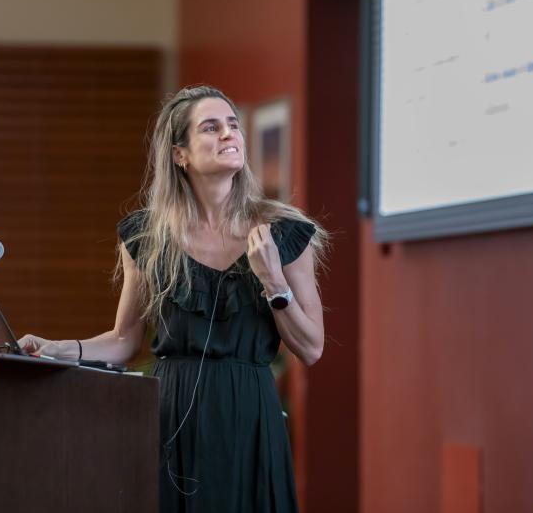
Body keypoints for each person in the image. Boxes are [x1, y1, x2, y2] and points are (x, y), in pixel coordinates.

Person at [19, 85, 328, 512]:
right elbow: (125, 340)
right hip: (171, 414)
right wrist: (58, 349)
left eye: (233, 125)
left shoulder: (283, 232)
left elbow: (312, 347)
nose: (228, 134)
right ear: (179, 154)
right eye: (211, 127)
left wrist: (274, 282)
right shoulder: (147, 237)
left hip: (249, 416)